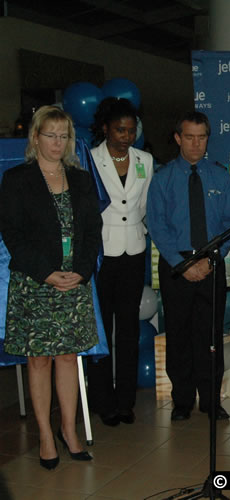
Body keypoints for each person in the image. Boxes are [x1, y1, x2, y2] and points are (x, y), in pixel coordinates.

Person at [0, 106, 101, 469]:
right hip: (35, 284)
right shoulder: (16, 179)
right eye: (50, 135)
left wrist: (82, 270)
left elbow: (92, 233)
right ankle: (45, 435)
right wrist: (46, 273)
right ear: (35, 138)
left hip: (74, 282)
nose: (57, 142)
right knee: (39, 360)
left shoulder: (82, 179)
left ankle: (69, 431)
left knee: (68, 358)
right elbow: (12, 234)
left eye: (63, 136)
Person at [146, 111, 230, 421]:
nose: (196, 144)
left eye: (202, 137)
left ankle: (211, 400)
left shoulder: (220, 176)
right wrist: (184, 264)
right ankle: (182, 400)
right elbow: (157, 226)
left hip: (211, 262)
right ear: (177, 138)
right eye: (190, 137)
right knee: (180, 334)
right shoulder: (163, 178)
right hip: (177, 265)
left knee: (210, 334)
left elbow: (229, 223)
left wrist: (212, 260)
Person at [87, 97, 154, 426]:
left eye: (131, 130)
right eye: (119, 130)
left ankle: (125, 401)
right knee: (103, 328)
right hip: (102, 253)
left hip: (134, 250)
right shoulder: (89, 159)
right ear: (105, 129)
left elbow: (141, 203)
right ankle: (104, 401)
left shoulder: (145, 160)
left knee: (127, 329)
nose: (126, 136)